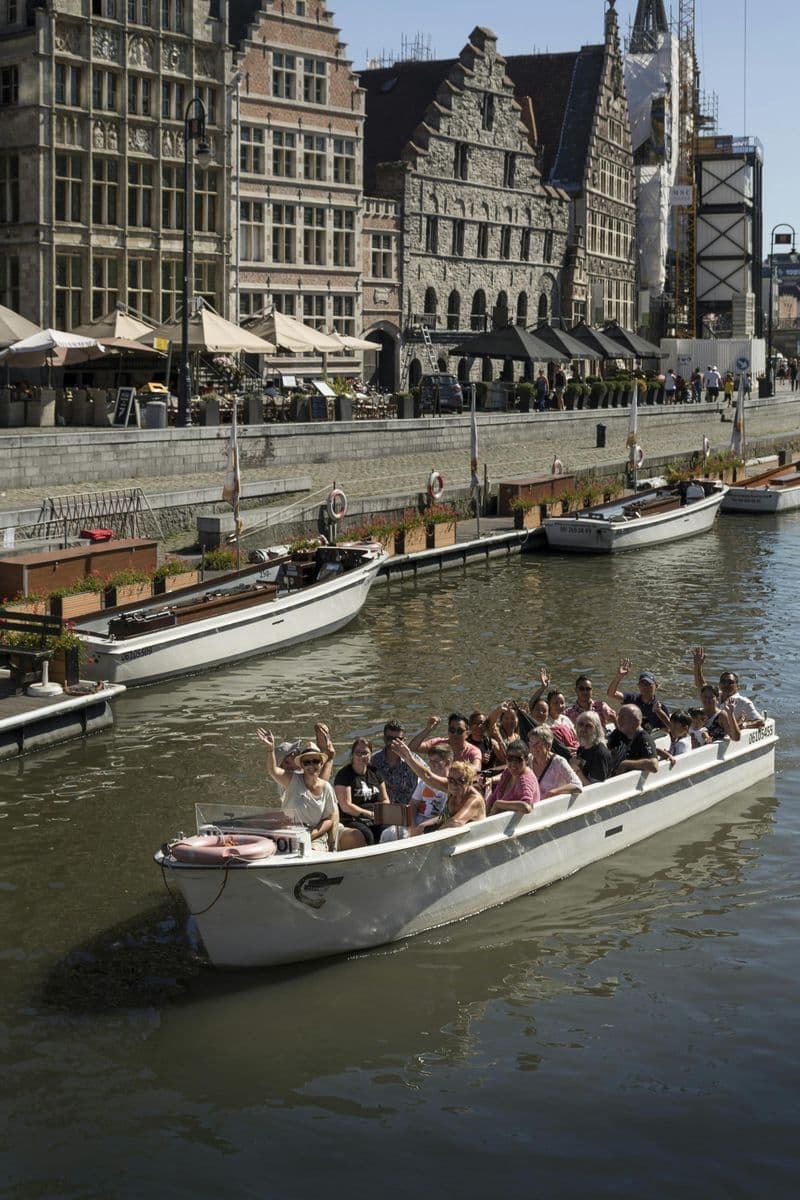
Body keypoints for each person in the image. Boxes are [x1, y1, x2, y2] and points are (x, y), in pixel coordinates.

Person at [257, 730, 337, 851]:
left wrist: (310, 835)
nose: (311, 765)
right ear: (302, 765)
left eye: (315, 761)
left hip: (315, 836)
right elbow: (273, 770)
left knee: (313, 851)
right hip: (291, 835)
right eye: (307, 762)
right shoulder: (290, 779)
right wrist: (270, 749)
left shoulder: (326, 787)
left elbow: (329, 819)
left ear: (321, 763)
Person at [333, 737, 390, 848]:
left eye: (365, 753)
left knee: (390, 831)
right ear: (352, 755)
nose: (361, 756)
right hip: (353, 817)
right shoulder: (345, 775)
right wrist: (367, 814)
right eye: (358, 752)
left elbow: (385, 799)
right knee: (368, 835)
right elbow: (346, 806)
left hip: (376, 816)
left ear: (370, 755)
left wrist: (381, 812)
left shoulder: (375, 772)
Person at [405, 758, 486, 835]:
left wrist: (434, 835)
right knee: (420, 829)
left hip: (474, 838)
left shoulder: (474, 800)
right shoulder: (452, 792)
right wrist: (422, 827)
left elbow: (456, 822)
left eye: (461, 781)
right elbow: (428, 777)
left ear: (469, 782)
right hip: (456, 834)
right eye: (451, 780)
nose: (454, 785)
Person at [692, 648, 764, 728]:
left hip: (727, 734)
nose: (726, 684)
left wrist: (742, 725)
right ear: (719, 684)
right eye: (723, 682)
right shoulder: (714, 696)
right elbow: (701, 685)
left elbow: (760, 721)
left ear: (738, 686)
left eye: (730, 682)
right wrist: (697, 666)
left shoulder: (744, 702)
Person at [606, 660, 669, 731]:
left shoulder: (660, 708)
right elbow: (611, 694)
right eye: (642, 684)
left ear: (656, 686)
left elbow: (667, 730)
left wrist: (660, 713)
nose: (645, 687)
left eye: (648, 684)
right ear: (638, 686)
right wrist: (618, 677)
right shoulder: (632, 698)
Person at [411, 712, 483, 770]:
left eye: (459, 731)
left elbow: (477, 768)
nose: (455, 734)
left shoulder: (473, 751)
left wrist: (454, 769)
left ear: (467, 734)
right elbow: (412, 748)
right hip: (436, 784)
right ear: (448, 731)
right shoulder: (438, 744)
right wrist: (428, 729)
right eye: (452, 730)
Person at [527, 725, 583, 800]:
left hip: (553, 806)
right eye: (531, 743)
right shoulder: (529, 759)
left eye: (537, 744)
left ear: (548, 745)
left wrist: (554, 792)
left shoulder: (558, 762)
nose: (533, 747)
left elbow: (577, 785)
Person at [371, 719, 418, 805]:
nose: (393, 743)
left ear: (404, 740)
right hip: (382, 810)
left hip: (408, 810)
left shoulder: (414, 760)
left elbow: (428, 777)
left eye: (397, 739)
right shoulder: (373, 761)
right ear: (384, 739)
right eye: (390, 738)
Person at [487, 739, 540, 814]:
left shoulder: (525, 780)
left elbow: (527, 807)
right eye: (510, 759)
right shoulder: (508, 773)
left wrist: (498, 804)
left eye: (518, 759)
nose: (513, 763)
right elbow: (494, 797)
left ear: (526, 759)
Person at [607, 705, 659, 776]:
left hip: (625, 780)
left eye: (623, 717)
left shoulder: (644, 739)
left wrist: (626, 764)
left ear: (636, 721)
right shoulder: (619, 732)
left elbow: (654, 765)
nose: (618, 720)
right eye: (618, 716)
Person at [571, 710, 613, 784]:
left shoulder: (599, 754)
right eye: (581, 724)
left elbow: (595, 788)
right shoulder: (582, 748)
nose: (583, 729)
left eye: (589, 726)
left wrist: (577, 771)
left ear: (597, 730)